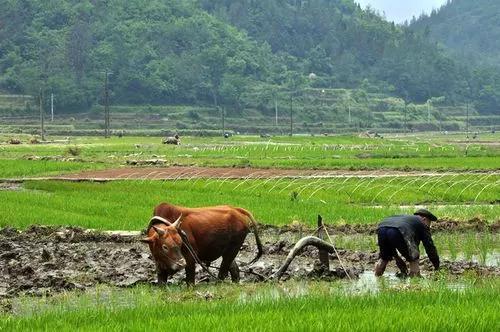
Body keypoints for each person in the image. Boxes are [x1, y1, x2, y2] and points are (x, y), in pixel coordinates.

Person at [374, 209, 440, 277]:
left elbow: (390, 238)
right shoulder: (421, 223)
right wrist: (437, 266)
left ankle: (377, 278)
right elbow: (430, 247)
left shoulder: (409, 220)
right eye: (429, 224)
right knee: (414, 259)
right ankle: (414, 281)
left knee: (384, 258)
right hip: (398, 230)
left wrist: (397, 258)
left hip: (382, 228)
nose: (429, 227)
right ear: (424, 219)